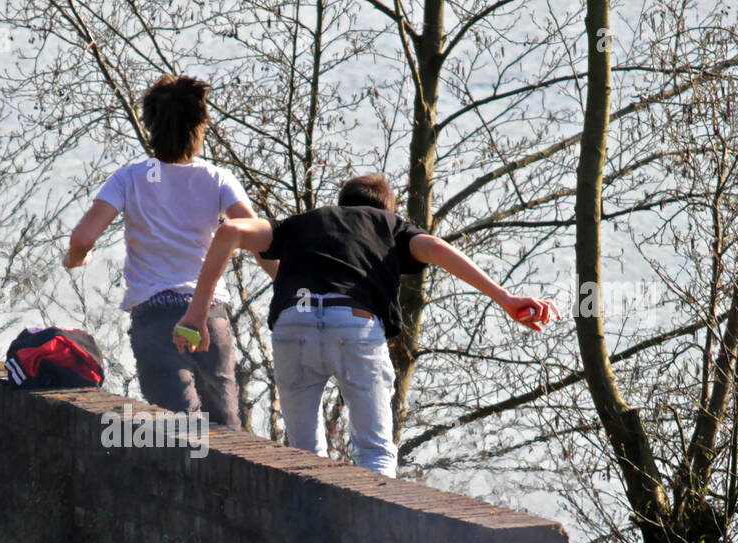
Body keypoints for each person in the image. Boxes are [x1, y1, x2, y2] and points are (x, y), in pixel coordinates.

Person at [174, 173, 560, 476]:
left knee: (303, 453)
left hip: (294, 324)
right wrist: (505, 298)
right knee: (374, 451)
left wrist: (196, 315)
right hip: (353, 325)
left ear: (341, 205)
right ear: (387, 209)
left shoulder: (303, 222)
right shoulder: (391, 226)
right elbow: (437, 250)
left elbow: (228, 231)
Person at [63, 74, 273, 430]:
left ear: (151, 125)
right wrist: (289, 281)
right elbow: (258, 238)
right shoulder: (218, 178)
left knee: (180, 434)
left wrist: (77, 258)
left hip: (156, 320)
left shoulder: (130, 177)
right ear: (200, 126)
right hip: (208, 315)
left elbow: (83, 237)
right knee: (228, 434)